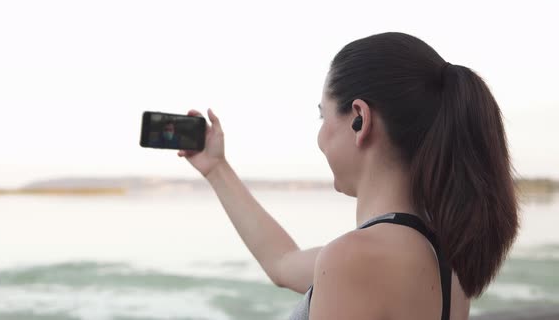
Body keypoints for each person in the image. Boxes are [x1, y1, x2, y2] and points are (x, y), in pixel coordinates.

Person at [177, 32, 518, 320]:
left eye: (322, 115)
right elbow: (281, 264)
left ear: (359, 118)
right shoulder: (448, 261)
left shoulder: (356, 257)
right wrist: (216, 168)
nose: (321, 136)